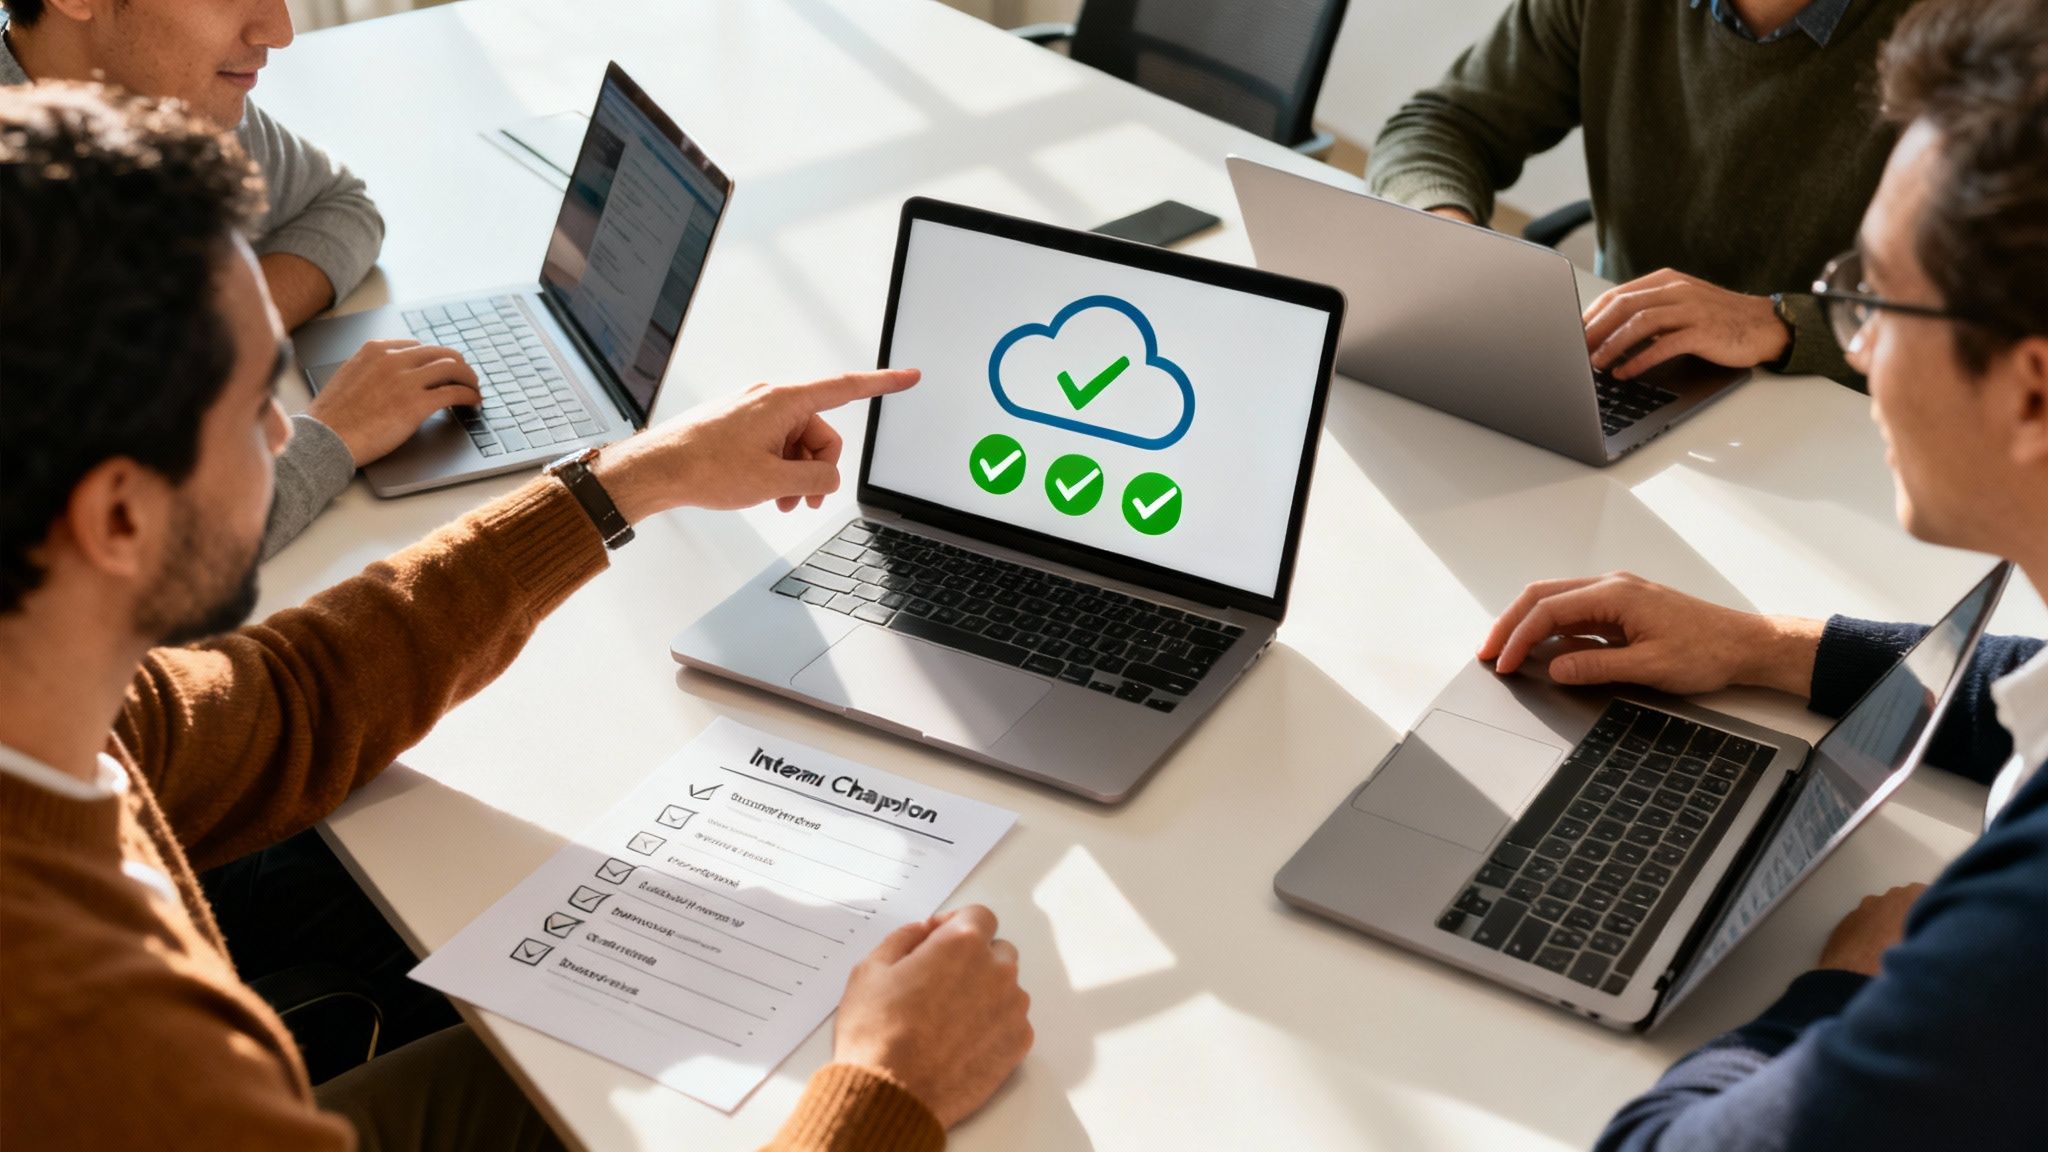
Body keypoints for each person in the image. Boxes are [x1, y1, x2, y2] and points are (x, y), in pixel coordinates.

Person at [0, 82, 1032, 1151]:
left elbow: (291, 703)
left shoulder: (48, 687)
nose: (285, 435)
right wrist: (884, 1091)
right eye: (252, 397)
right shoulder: (107, 1051)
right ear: (117, 514)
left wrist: (630, 477)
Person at [1476, 0, 2046, 1146]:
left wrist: (1845, 987)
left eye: (1871, 297)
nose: (1854, 343)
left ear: (2030, 390)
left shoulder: (2010, 956)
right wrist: (1762, 647)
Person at [1, 0, 483, 557]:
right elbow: (137, 559)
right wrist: (334, 436)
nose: (279, 31)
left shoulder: (165, 101)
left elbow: (341, 207)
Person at [1367, 0, 1924, 387]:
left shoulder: (1964, 39)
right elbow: (1437, 127)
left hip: (1842, 416)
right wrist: (1450, 235)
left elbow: (1976, 311)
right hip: (1623, 370)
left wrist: (1778, 323)